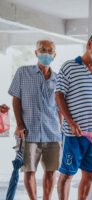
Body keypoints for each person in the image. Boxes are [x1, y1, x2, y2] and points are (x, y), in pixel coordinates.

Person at [56, 31, 92, 200]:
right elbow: (59, 95)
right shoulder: (69, 66)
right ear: (89, 45)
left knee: (90, 175)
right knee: (67, 174)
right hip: (74, 133)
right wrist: (70, 122)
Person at [8, 39, 61, 200]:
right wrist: (19, 124)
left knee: (51, 171)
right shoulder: (23, 72)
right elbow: (16, 99)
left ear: (54, 54)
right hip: (28, 132)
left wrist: (62, 130)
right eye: (42, 49)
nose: (46, 53)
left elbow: (59, 108)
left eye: (49, 50)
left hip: (52, 134)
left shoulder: (58, 79)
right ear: (36, 53)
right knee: (29, 170)